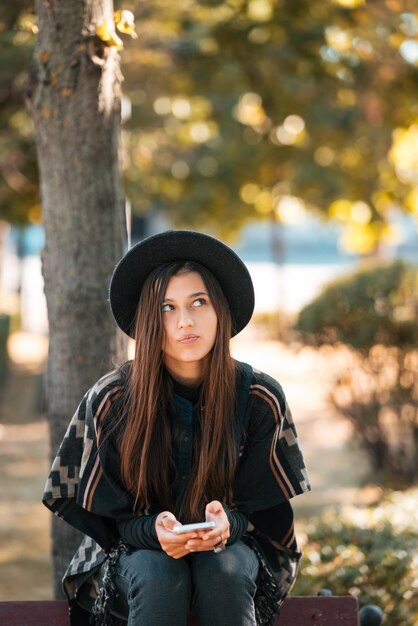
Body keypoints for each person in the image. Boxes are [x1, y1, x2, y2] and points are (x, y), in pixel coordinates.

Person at [43, 230, 311, 626]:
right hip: (130, 557)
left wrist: (226, 525)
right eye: (167, 308)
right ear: (150, 319)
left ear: (220, 309)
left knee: (223, 568)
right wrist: (153, 530)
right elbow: (110, 521)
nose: (185, 321)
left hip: (237, 553)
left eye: (198, 302)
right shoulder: (112, 400)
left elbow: (263, 511)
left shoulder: (259, 397)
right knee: (157, 572)